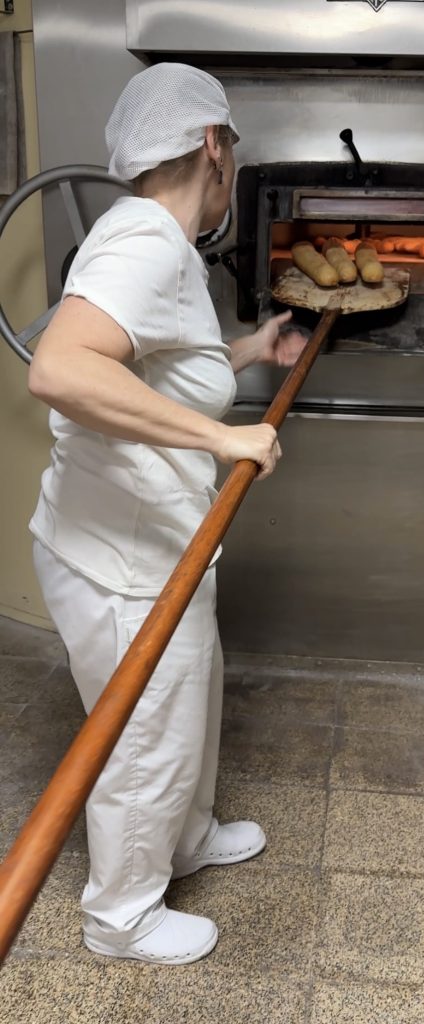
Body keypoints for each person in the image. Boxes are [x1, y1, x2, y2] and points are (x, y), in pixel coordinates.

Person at [27, 64, 306, 966]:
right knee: (143, 734)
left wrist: (248, 349)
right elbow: (61, 368)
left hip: (159, 539)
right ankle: (121, 916)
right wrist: (221, 438)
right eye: (233, 148)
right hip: (119, 559)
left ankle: (185, 840)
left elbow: (156, 360)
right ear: (214, 144)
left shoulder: (157, 240)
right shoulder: (146, 239)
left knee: (188, 697)